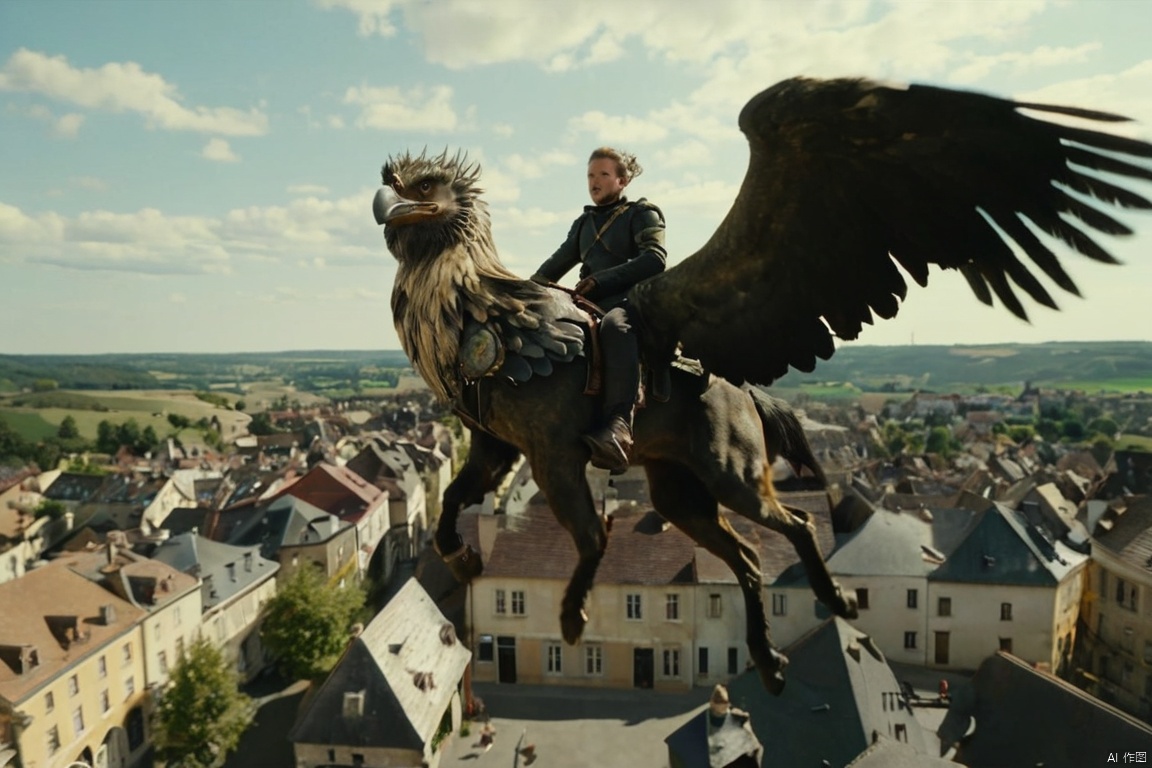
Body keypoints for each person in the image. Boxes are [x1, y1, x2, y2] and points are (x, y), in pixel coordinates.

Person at [532, 147, 667, 473]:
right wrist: (519, 295)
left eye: (603, 175)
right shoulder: (584, 224)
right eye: (591, 175)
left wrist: (602, 280)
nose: (595, 181)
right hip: (587, 305)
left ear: (622, 180)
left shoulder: (642, 214)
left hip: (630, 304)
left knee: (614, 328)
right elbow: (550, 270)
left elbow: (655, 260)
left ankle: (619, 425)